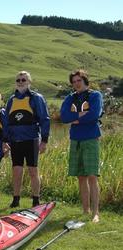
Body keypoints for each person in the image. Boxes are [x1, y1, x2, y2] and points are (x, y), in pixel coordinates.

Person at [60, 69, 103, 223]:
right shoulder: (70, 98)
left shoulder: (95, 95)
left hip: (91, 138)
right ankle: (86, 210)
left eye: (79, 80)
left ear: (85, 80)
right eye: (74, 81)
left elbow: (95, 114)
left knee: (92, 175)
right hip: (75, 139)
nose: (76, 83)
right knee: (81, 176)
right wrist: (80, 116)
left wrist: (76, 119)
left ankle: (95, 213)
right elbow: (64, 117)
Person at [6, 71, 50, 207]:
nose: (20, 82)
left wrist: (44, 140)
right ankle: (16, 199)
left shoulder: (37, 98)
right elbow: (7, 122)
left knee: (33, 171)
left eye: (23, 80)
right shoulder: (11, 100)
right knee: (17, 171)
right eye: (18, 80)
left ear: (29, 82)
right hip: (15, 141)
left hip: (31, 140)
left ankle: (36, 199)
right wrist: (6, 141)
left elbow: (45, 119)